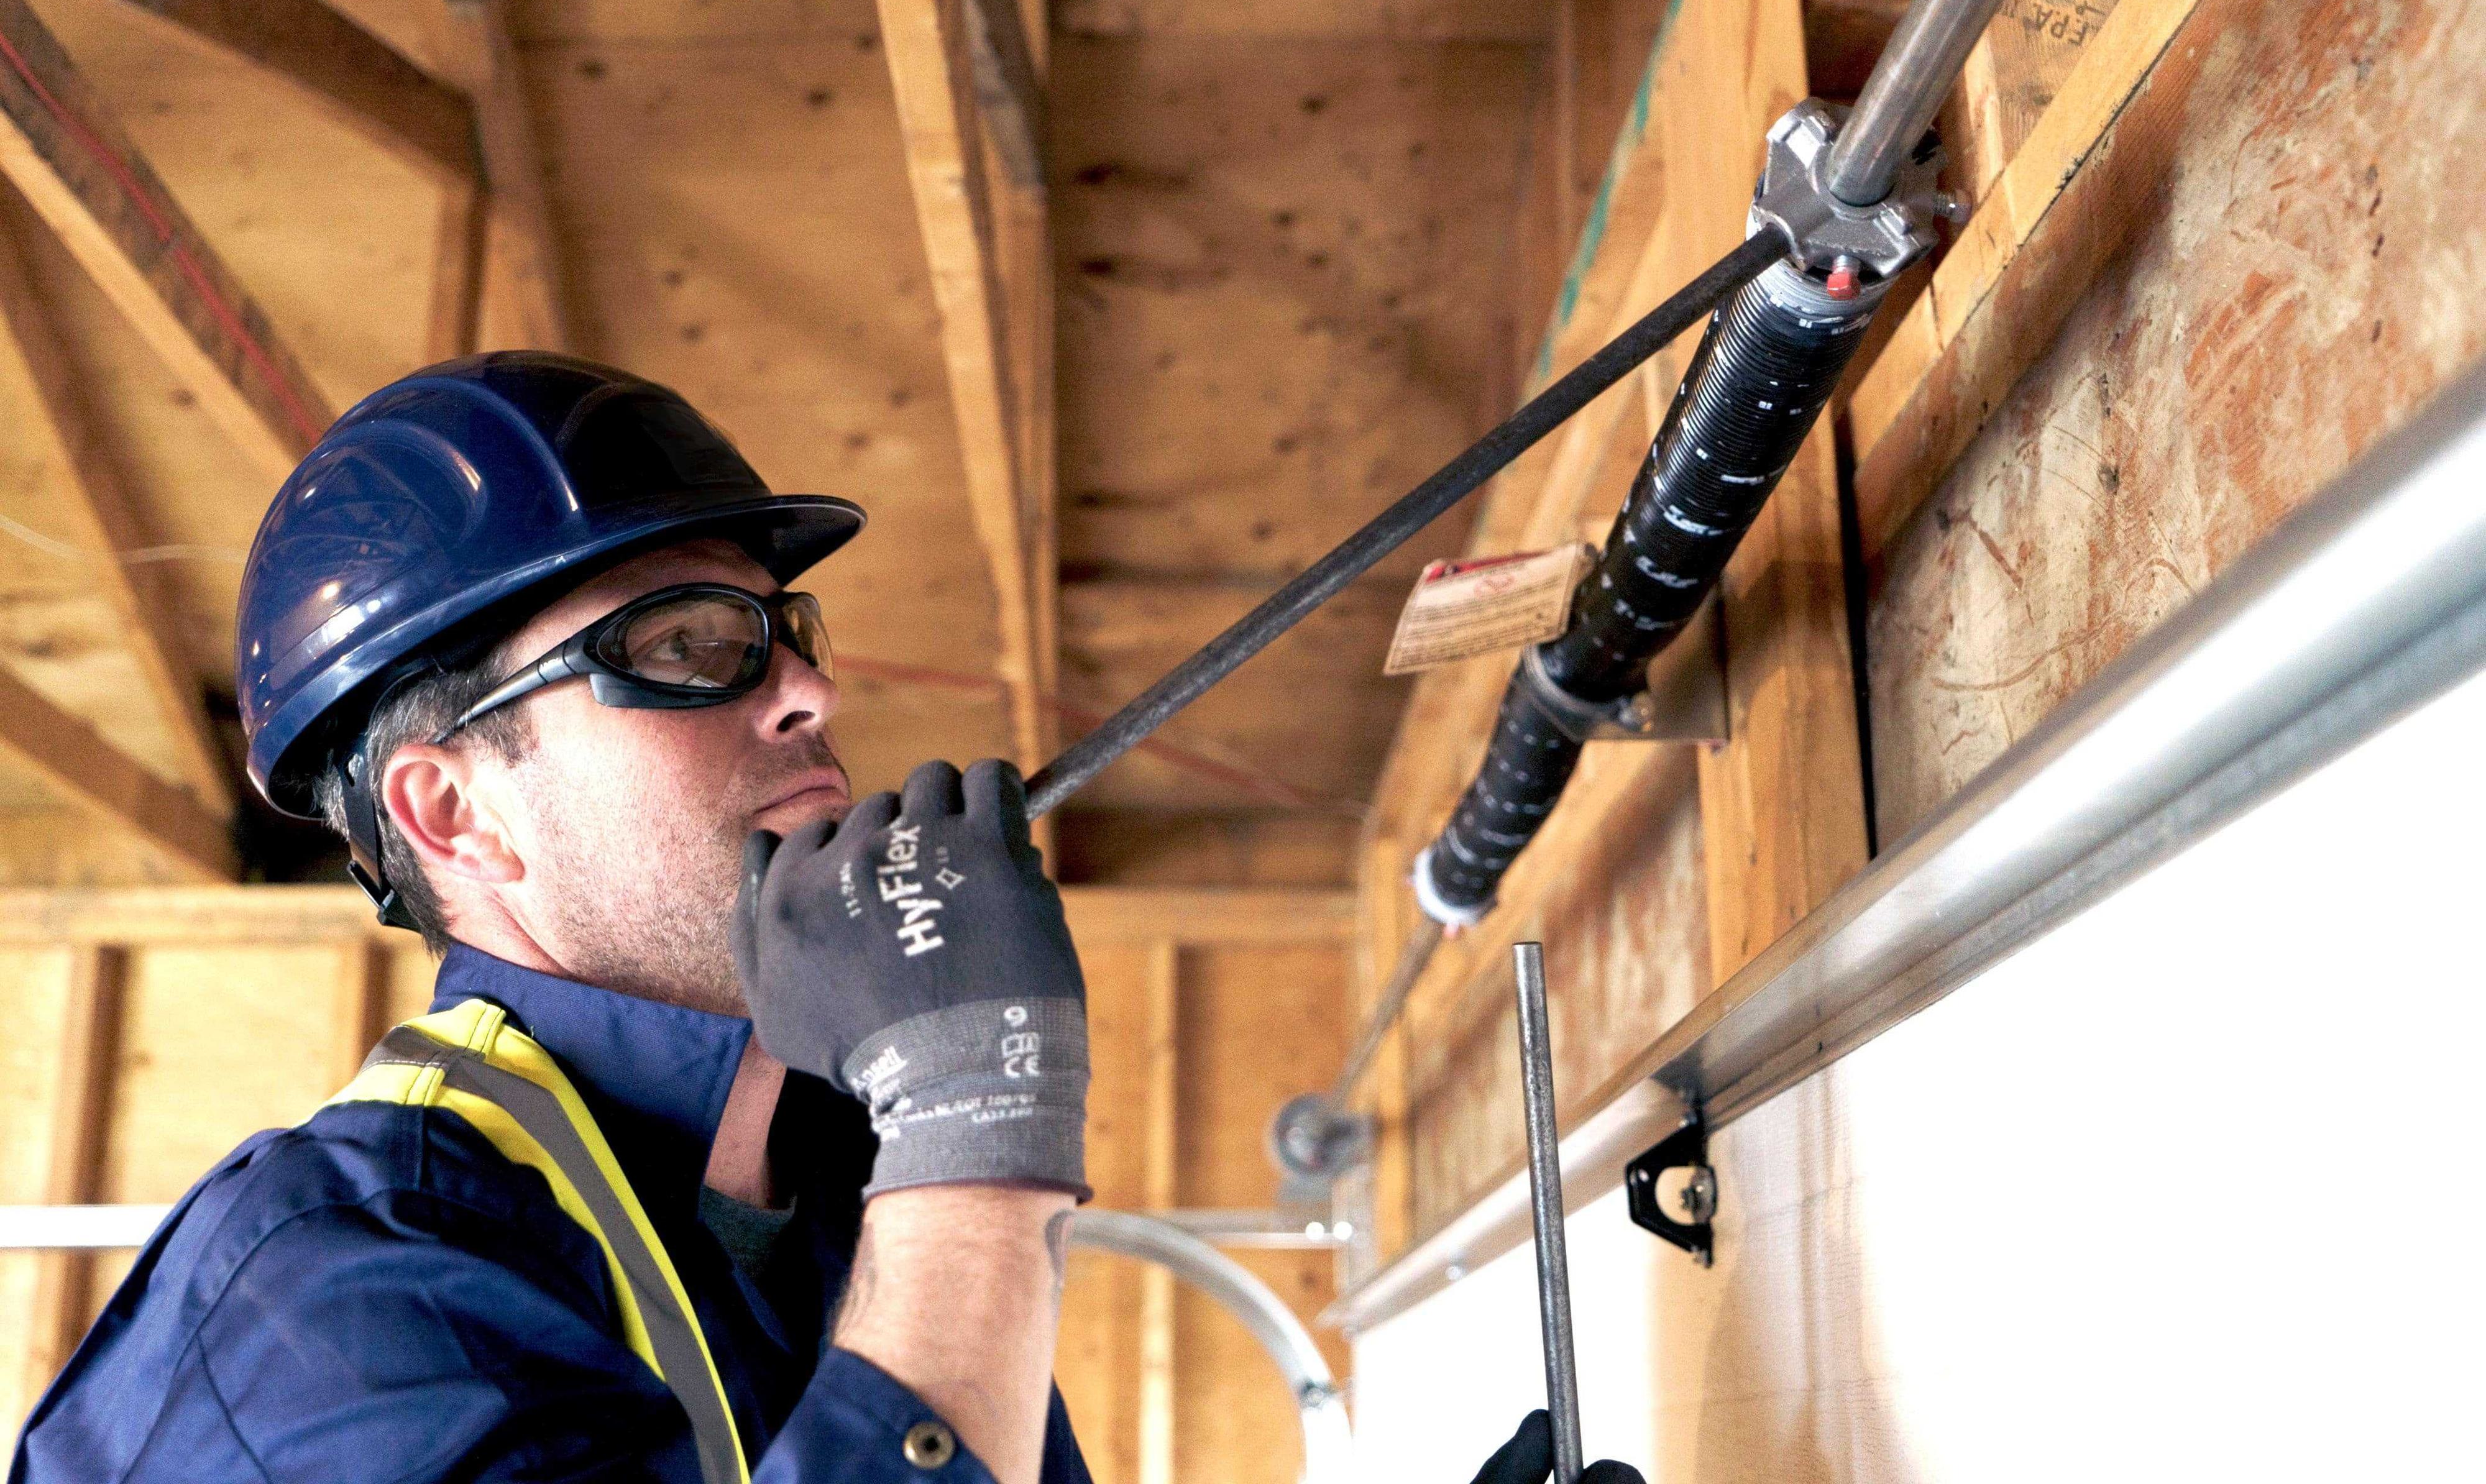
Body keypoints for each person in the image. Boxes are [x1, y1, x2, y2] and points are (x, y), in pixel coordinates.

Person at [7, 354, 1642, 1484]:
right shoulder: (327, 1292)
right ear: (455, 808)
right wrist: (979, 1142)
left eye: (782, 629)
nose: (809, 688)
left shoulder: (840, 1214)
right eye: (689, 643)